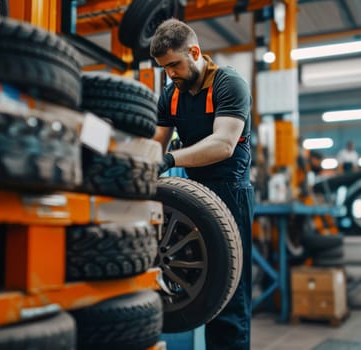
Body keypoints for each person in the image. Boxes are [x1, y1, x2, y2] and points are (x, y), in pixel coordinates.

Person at [150, 18, 254, 350]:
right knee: (203, 293)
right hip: (194, 198)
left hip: (231, 193)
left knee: (230, 296)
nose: (170, 74)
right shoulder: (171, 94)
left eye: (174, 65)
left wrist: (171, 160)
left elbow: (224, 143)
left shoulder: (229, 84)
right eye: (164, 68)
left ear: (194, 52)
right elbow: (156, 144)